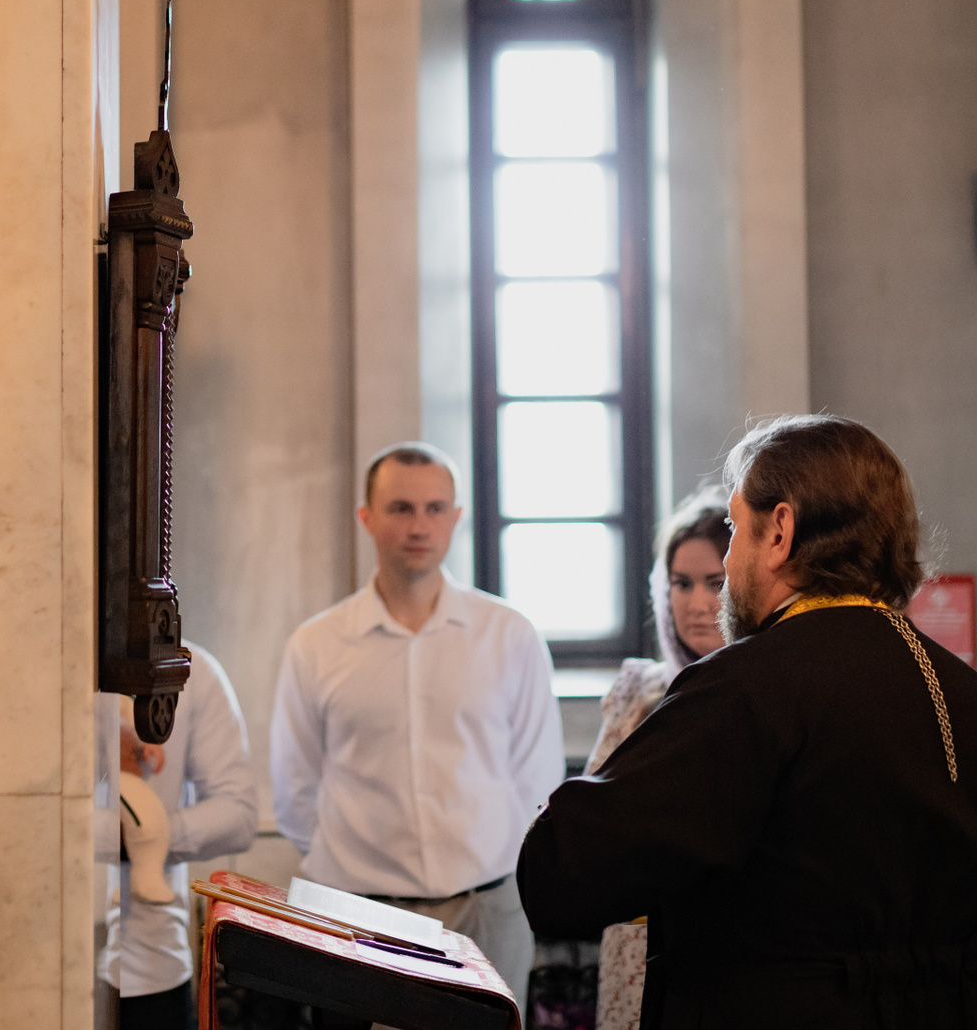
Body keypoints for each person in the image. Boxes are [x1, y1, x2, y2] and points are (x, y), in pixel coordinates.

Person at [519, 414, 977, 1029]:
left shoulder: (745, 684)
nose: (729, 559)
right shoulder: (956, 685)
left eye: (735, 528)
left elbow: (564, 871)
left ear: (780, 532)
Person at [271, 442, 563, 1000]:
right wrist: (357, 879)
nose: (419, 526)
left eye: (435, 509)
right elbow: (295, 787)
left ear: (457, 517)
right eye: (401, 508)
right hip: (357, 915)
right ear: (367, 517)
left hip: (487, 908)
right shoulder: (316, 644)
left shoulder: (509, 634)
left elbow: (537, 778)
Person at [584, 490, 731, 1030]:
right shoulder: (639, 689)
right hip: (635, 940)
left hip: (726, 947)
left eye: (716, 583)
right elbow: (590, 816)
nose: (697, 603)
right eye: (682, 583)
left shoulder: (768, 696)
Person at [104, 643, 258, 1030]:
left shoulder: (195, 670)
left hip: (150, 964)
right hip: (38, 954)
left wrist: (147, 835)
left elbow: (237, 814)